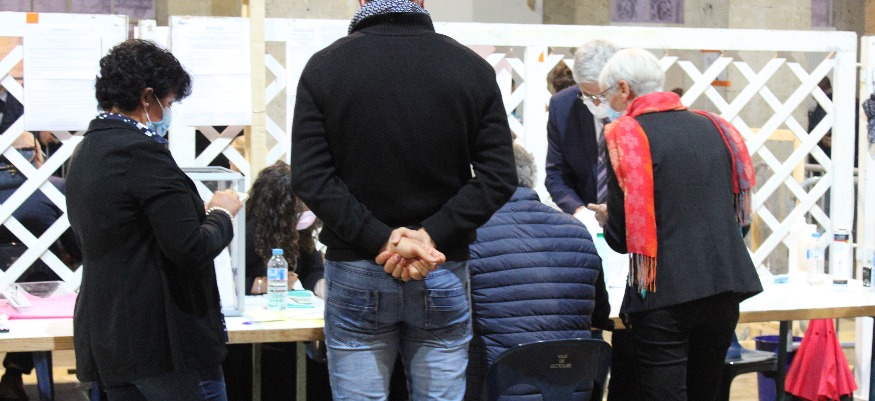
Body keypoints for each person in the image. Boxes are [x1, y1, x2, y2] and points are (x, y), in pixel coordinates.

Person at [290, 0, 518, 399]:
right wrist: (430, 236)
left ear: (361, 0)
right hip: (440, 265)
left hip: (358, 265)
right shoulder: (471, 68)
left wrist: (382, 239)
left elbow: (312, 177)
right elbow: (499, 176)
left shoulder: (325, 67)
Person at [65, 39, 242, 401]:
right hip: (162, 342)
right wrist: (222, 213)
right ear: (148, 97)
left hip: (109, 334)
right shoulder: (142, 153)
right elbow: (190, 246)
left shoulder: (85, 151)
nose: (169, 111)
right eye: (170, 102)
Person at [593, 48, 763, 400]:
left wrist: (609, 218)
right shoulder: (716, 126)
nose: (606, 102)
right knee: (705, 391)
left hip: (665, 292)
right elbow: (738, 219)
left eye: (605, 93)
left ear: (624, 88)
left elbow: (622, 239)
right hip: (724, 284)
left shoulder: (626, 136)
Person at [464, 142, 609, 401]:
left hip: (498, 390)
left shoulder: (470, 235)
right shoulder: (578, 232)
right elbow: (601, 314)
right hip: (573, 391)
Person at [222, 160, 331, 401]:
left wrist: (319, 284)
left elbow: (311, 267)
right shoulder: (246, 233)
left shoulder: (297, 232)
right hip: (246, 335)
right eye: (299, 204)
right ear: (280, 205)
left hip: (284, 324)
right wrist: (262, 284)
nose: (305, 210)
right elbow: (228, 282)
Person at [0, 132, 81, 401]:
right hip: (41, 287)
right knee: (46, 279)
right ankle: (14, 372)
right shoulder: (55, 187)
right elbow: (75, 244)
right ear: (37, 153)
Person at [545, 39, 618, 217]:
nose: (595, 102)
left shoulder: (636, 105)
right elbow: (556, 175)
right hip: (586, 216)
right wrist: (579, 211)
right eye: (587, 95)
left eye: (602, 95)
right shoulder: (562, 106)